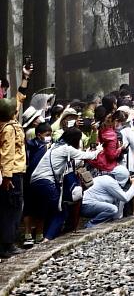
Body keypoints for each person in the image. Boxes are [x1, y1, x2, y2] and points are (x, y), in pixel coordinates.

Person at [29, 127, 99, 241]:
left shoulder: (55, 146)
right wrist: (99, 150)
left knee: (45, 212)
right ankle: (47, 240)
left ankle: (39, 237)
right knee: (61, 213)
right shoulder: (66, 149)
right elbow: (89, 156)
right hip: (47, 182)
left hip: (35, 181)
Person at [0, 96, 26, 257]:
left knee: (7, 209)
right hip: (13, 174)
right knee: (12, 209)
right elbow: (7, 154)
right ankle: (7, 245)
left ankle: (6, 244)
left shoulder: (3, 124)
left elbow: (16, 102)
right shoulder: (10, 128)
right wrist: (8, 177)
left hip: (9, 173)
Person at [22, 122, 51, 247]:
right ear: (39, 135)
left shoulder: (48, 145)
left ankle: (39, 233)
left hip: (40, 179)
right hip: (30, 179)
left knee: (41, 207)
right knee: (29, 207)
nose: (50, 137)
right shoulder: (31, 145)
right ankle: (28, 234)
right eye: (47, 134)